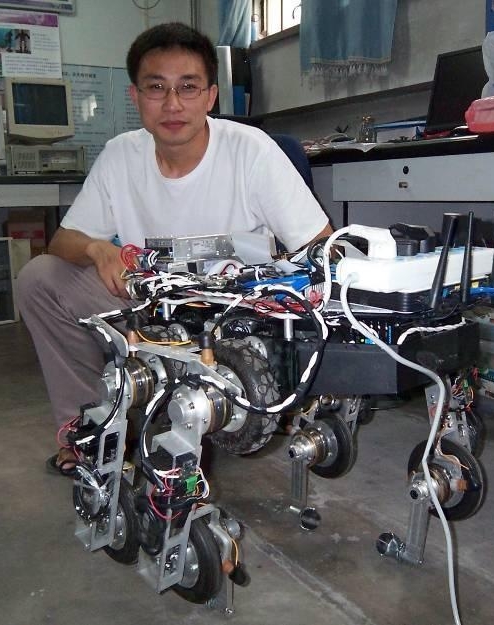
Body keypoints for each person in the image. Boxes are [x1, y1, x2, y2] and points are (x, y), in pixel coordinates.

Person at [16, 22, 332, 475]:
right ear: (135, 97)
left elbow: (320, 246)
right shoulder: (120, 156)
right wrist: (99, 250)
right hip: (148, 305)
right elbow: (63, 242)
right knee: (40, 279)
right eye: (156, 88)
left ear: (210, 96)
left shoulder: (252, 152)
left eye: (187, 87)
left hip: (234, 316)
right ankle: (89, 430)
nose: (172, 104)